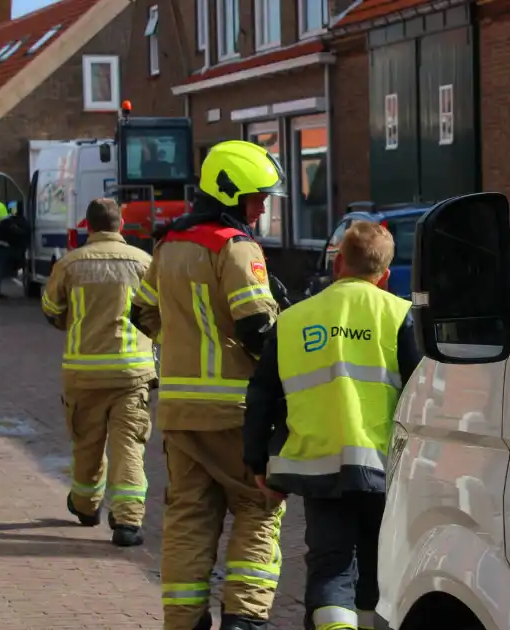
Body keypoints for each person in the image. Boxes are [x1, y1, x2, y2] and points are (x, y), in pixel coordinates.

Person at [130, 140, 291, 630]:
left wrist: (181, 340)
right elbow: (257, 330)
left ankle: (183, 619)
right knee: (259, 507)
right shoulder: (236, 247)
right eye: (257, 197)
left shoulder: (169, 244)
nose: (262, 207)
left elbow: (141, 310)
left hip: (180, 413)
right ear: (231, 195)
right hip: (236, 413)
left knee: (187, 518)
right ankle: (243, 617)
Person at [243, 220, 421, 630]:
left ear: (338, 263)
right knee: (382, 574)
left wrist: (256, 461)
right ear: (386, 274)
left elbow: (262, 396)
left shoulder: (292, 320)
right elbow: (421, 395)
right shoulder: (400, 316)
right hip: (385, 471)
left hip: (317, 468)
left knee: (330, 568)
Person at [40, 198, 156, 547]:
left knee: (86, 444)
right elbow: (158, 310)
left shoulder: (70, 264)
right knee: (129, 447)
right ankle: (128, 523)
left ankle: (86, 506)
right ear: (121, 224)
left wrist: (73, 321)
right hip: (132, 373)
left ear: (88, 226)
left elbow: (50, 309)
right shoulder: (144, 262)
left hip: (84, 373)